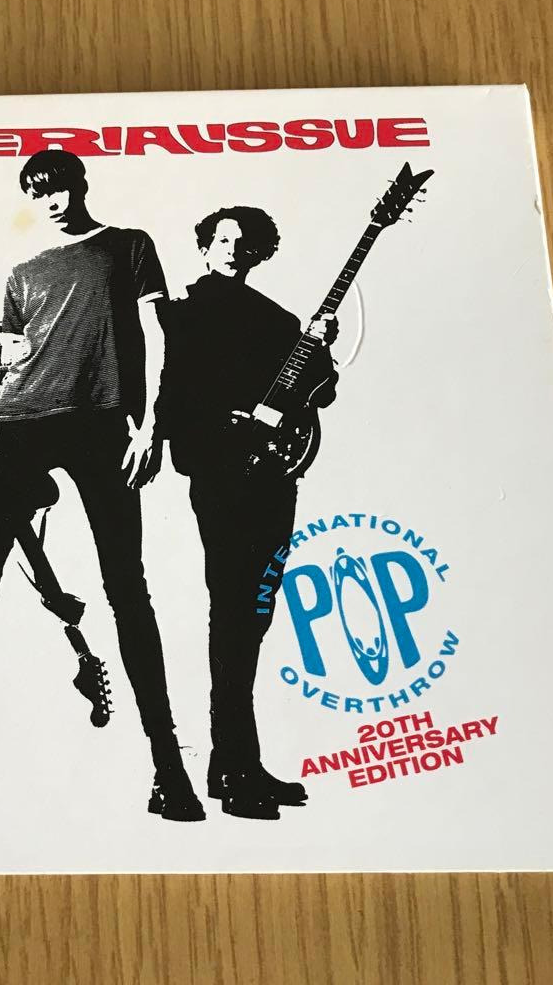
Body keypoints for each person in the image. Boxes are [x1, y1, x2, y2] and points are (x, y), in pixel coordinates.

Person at [0, 148, 205, 823]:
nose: (50, 201)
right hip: (22, 424)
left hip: (104, 423)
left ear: (80, 185)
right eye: (37, 192)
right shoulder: (23, 273)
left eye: (57, 188)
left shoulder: (127, 245)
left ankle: (169, 770)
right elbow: (4, 368)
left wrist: (152, 426)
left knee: (127, 589)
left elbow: (158, 339)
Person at [161, 206, 339, 820]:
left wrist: (319, 345)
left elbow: (320, 391)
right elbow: (169, 398)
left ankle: (233, 762)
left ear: (259, 252)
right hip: (221, 476)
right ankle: (236, 771)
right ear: (206, 246)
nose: (234, 249)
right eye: (223, 239)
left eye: (245, 242)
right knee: (234, 613)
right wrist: (223, 425)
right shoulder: (182, 313)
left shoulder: (277, 319)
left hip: (276, 480)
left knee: (255, 615)